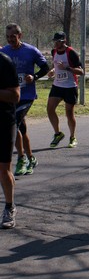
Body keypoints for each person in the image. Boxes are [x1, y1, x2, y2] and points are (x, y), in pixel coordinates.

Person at [2, 24, 50, 176]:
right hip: (11, 96)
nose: (10, 40)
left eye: (13, 37)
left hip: (27, 95)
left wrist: (34, 77)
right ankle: (31, 158)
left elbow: (45, 67)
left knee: (14, 125)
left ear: (20, 36)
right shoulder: (4, 51)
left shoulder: (31, 51)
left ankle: (21, 159)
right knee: (21, 129)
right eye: (8, 37)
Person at [47, 32, 84, 148]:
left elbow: (81, 72)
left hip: (70, 86)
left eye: (58, 41)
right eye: (55, 41)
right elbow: (56, 65)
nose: (56, 43)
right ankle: (57, 134)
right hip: (57, 85)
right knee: (50, 109)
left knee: (69, 113)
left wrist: (67, 68)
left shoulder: (71, 53)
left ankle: (72, 137)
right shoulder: (54, 52)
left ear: (64, 41)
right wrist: (52, 71)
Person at [0, 52, 20, 228]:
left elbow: (15, 96)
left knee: (3, 169)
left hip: (4, 121)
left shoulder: (4, 62)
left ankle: (9, 207)